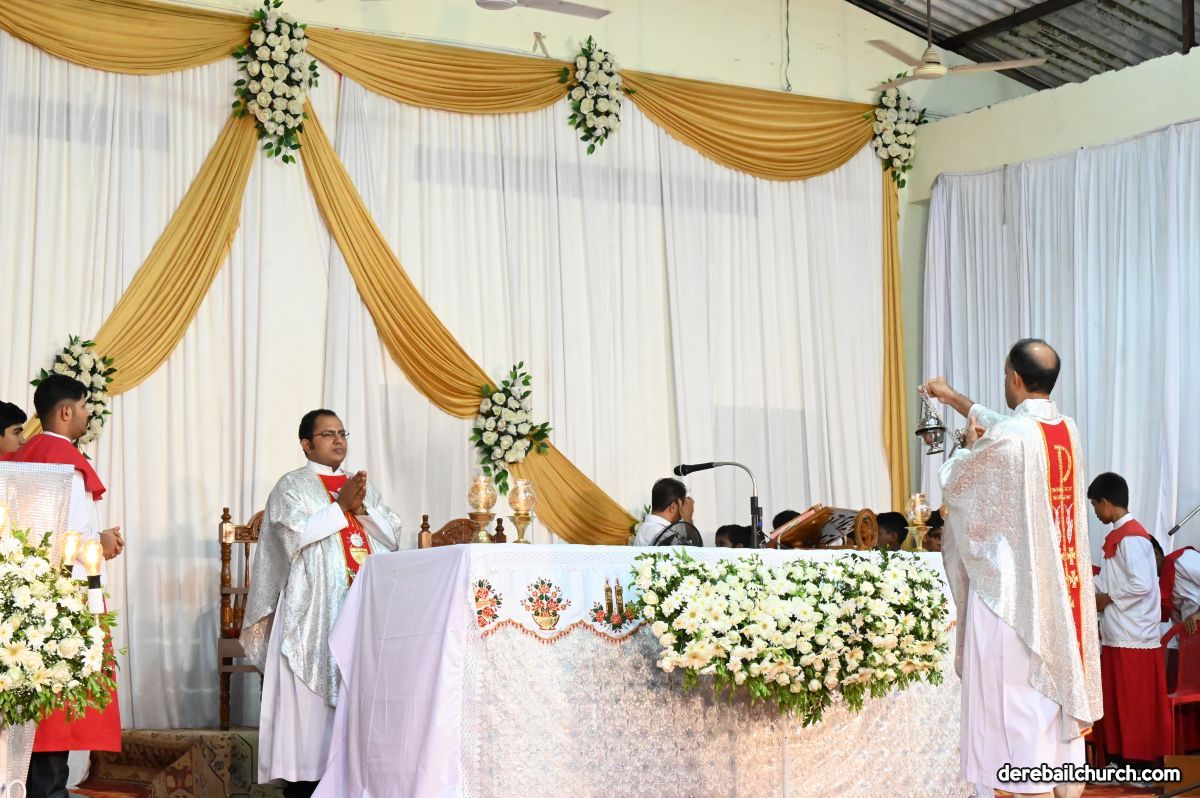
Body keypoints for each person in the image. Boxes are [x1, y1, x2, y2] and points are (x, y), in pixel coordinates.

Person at [924, 338, 1101, 798]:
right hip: (1061, 593)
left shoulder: (1012, 438)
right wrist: (953, 398)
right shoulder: (1065, 431)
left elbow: (958, 484)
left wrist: (966, 448)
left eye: (1006, 374)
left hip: (1016, 598)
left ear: (1016, 378)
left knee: (1015, 708)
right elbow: (1008, 426)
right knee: (1052, 706)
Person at [241, 410, 404, 798]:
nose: (338, 440)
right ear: (306, 444)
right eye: (327, 434)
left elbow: (392, 536)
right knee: (310, 711)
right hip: (311, 611)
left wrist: (360, 509)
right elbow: (292, 536)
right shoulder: (292, 485)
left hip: (361, 609)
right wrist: (339, 507)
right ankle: (306, 783)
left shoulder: (359, 487)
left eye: (342, 433)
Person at [1, 375, 124, 798]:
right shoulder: (66, 464)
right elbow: (67, 541)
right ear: (66, 411)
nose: (88, 414)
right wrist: (102, 544)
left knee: (26, 714)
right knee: (56, 710)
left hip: (23, 600)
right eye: (85, 405)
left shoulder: (20, 455)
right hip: (62, 605)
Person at [1087, 472, 1172, 764]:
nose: (1095, 512)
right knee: (1117, 702)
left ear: (1106, 502)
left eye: (1095, 505)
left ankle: (1141, 765)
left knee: (1135, 704)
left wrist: (1106, 598)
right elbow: (1108, 581)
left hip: (1133, 636)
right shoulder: (1120, 535)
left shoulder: (1132, 538)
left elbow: (1142, 584)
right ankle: (1119, 760)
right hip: (1118, 634)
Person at [634, 478, 699, 546]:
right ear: (674, 506)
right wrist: (688, 518)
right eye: (683, 505)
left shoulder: (650, 528)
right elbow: (695, 550)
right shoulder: (659, 532)